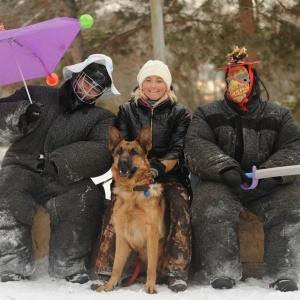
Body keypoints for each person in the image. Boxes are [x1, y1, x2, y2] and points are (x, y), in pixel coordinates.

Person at [184, 46, 300, 292]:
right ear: (225, 83)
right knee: (209, 204)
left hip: (268, 184)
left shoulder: (279, 115)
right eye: (231, 79)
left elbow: (294, 146)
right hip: (224, 182)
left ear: (253, 81)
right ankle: (221, 271)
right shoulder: (206, 113)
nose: (237, 84)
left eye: (243, 78)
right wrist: (224, 168)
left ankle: (284, 271)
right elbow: (196, 145)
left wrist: (274, 173)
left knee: (292, 203)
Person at [0, 54, 120, 284]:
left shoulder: (102, 118)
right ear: (77, 76)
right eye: (87, 82)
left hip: (65, 177)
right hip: (21, 167)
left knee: (86, 198)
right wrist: (21, 115)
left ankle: (69, 264)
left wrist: (61, 161)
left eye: (96, 89)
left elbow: (101, 150)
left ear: (101, 93)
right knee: (6, 195)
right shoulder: (35, 94)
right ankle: (11, 264)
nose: (88, 90)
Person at [94, 60, 192, 292]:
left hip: (168, 176)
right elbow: (122, 148)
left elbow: (178, 149)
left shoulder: (179, 113)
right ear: (141, 84)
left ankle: (175, 271)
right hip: (132, 180)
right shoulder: (127, 110)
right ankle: (106, 270)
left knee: (179, 204)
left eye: (159, 80)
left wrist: (157, 168)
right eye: (148, 80)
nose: (153, 85)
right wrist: (129, 170)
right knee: (112, 209)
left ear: (167, 85)